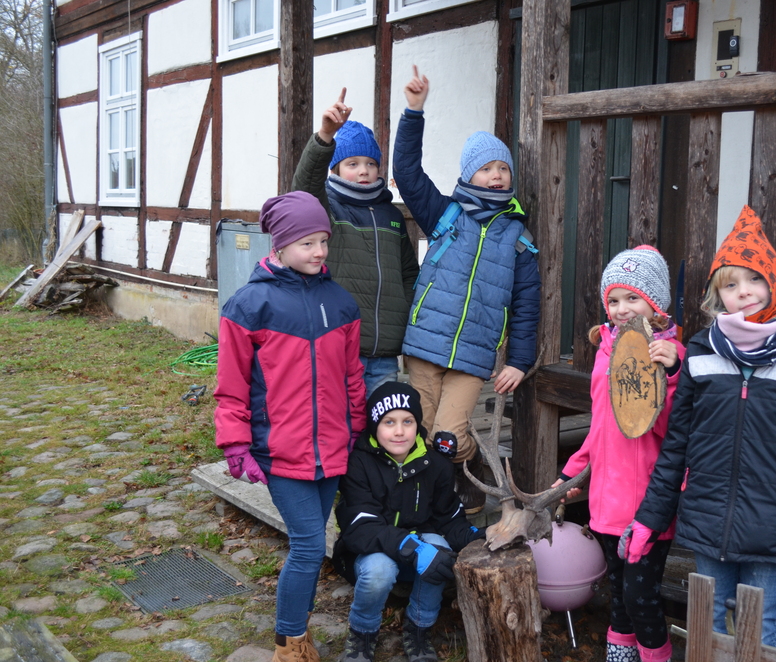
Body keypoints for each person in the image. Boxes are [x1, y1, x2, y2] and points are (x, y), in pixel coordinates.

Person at [619, 206, 776, 648]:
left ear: (775, 281)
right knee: (709, 632)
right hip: (708, 520)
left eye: (754, 279)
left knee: (760, 635)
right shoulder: (703, 350)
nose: (743, 292)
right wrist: (650, 517)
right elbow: (678, 444)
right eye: (730, 284)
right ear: (716, 295)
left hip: (773, 526)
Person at [214, 191, 367, 662]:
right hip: (281, 450)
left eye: (323, 240)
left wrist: (356, 429)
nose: (319, 251)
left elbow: (352, 375)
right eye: (307, 243)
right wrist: (236, 443)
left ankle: (298, 632)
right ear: (279, 245)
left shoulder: (340, 303)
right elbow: (232, 385)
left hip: (333, 448)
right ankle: (290, 645)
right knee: (308, 545)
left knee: (313, 543)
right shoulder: (249, 305)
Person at [393, 65, 541, 512]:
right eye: (485, 168)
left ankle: (467, 465)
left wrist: (519, 360)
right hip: (425, 344)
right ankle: (428, 504)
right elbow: (406, 172)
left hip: (473, 356)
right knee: (418, 432)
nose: (496, 175)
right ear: (468, 175)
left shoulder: (517, 237)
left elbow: (526, 304)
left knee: (448, 437)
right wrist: (414, 111)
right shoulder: (445, 214)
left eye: (502, 168)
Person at [552, 246, 685, 662]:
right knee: (619, 594)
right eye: (613, 300)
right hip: (606, 499)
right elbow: (600, 428)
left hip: (647, 502)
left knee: (641, 597)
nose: (621, 308)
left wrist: (671, 376)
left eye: (633, 298)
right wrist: (572, 474)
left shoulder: (670, 355)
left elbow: (675, 431)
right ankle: (619, 657)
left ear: (656, 303)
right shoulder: (605, 351)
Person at [333, 382, 486, 662]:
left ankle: (418, 630)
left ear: (418, 425)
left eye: (408, 421)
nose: (399, 431)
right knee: (380, 570)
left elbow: (448, 518)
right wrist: (413, 549)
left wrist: (478, 536)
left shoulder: (435, 464)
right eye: (389, 422)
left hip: (419, 554)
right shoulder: (358, 463)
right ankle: (362, 634)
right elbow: (361, 526)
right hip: (373, 554)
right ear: (374, 426)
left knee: (439, 548)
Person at [292, 87, 420, 394]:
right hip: (340, 346)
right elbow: (304, 187)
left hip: (385, 352)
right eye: (353, 164)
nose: (364, 170)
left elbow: (408, 274)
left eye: (371, 163)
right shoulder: (327, 209)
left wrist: (405, 317)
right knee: (341, 418)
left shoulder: (391, 215)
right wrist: (325, 135)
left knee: (381, 421)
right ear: (335, 168)